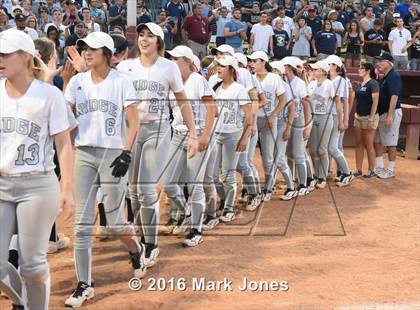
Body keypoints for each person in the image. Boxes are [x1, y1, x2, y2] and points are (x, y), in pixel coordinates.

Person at [63, 32, 147, 308]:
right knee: (82, 223)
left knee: (114, 221)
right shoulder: (77, 81)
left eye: (93, 49)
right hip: (84, 154)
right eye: (84, 48)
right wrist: (66, 80)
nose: (87, 52)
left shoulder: (121, 82)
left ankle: (136, 249)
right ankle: (84, 284)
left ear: (108, 54)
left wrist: (126, 153)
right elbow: (65, 117)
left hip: (113, 155)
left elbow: (133, 122)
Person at [0, 28, 74, 310]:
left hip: (37, 185)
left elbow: (64, 144)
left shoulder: (49, 95)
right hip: (2, 184)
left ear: (25, 56)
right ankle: (23, 302)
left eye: (6, 53)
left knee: (32, 266)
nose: (0, 58)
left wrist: (66, 188)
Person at [117, 22, 197, 268]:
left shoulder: (169, 68)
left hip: (157, 130)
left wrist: (193, 133)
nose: (144, 39)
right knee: (132, 190)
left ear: (159, 41)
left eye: (150, 36)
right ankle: (141, 236)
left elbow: (183, 102)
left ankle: (151, 244)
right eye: (141, 35)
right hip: (130, 131)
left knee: (146, 189)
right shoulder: (125, 67)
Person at [161, 45, 216, 245]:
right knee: (167, 182)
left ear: (188, 62)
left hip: (198, 134)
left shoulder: (197, 80)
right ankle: (187, 211)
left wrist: (205, 136)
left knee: (194, 184)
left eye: (176, 59)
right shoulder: (172, 83)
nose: (172, 62)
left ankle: (196, 229)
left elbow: (212, 109)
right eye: (171, 58)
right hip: (177, 135)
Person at [211, 55, 252, 221]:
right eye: (218, 65)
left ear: (231, 70)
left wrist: (244, 138)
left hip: (232, 135)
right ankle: (225, 199)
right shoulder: (216, 87)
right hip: (216, 134)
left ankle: (229, 207)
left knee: (228, 174)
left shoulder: (239, 89)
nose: (218, 68)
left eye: (223, 66)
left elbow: (249, 116)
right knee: (213, 176)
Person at [249, 51, 286, 200]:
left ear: (263, 62)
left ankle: (269, 188)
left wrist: (273, 115)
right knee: (249, 157)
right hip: (252, 120)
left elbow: (283, 100)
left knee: (268, 157)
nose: (251, 63)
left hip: (268, 120)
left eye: (254, 61)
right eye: (250, 61)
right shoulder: (250, 78)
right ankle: (251, 187)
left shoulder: (274, 78)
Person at [282, 57, 312, 196]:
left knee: (299, 154)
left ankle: (304, 183)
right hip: (287, 120)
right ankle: (293, 180)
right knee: (289, 153)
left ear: (290, 68)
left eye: (285, 67)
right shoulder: (283, 82)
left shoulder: (299, 83)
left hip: (299, 120)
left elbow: (306, 105)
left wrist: (307, 126)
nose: (283, 69)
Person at [307, 60, 337, 188]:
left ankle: (322, 176)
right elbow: (307, 100)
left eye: (316, 69)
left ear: (323, 71)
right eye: (313, 69)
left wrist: (340, 118)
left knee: (322, 149)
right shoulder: (311, 84)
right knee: (313, 150)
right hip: (313, 117)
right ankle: (316, 173)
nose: (313, 71)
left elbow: (337, 101)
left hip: (325, 117)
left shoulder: (328, 84)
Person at [374, 51, 403, 179]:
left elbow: (394, 96)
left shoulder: (394, 76)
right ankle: (379, 167)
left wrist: (390, 116)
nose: (378, 63)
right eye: (378, 61)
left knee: (391, 143)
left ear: (389, 63)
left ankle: (390, 169)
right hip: (382, 113)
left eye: (381, 61)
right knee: (377, 141)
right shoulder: (384, 77)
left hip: (391, 113)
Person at [325, 55, 353, 187]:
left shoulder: (340, 81)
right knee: (330, 147)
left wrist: (344, 120)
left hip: (336, 116)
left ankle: (346, 173)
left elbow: (344, 102)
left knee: (332, 147)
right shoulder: (329, 80)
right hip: (328, 116)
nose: (327, 66)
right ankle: (333, 172)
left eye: (329, 64)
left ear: (335, 66)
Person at [353, 62, 380, 178]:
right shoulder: (360, 84)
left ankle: (371, 171)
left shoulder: (373, 83)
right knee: (359, 143)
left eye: (361, 68)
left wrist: (371, 118)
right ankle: (358, 170)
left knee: (369, 144)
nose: (359, 70)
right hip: (358, 117)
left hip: (369, 117)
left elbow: (375, 102)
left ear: (368, 70)